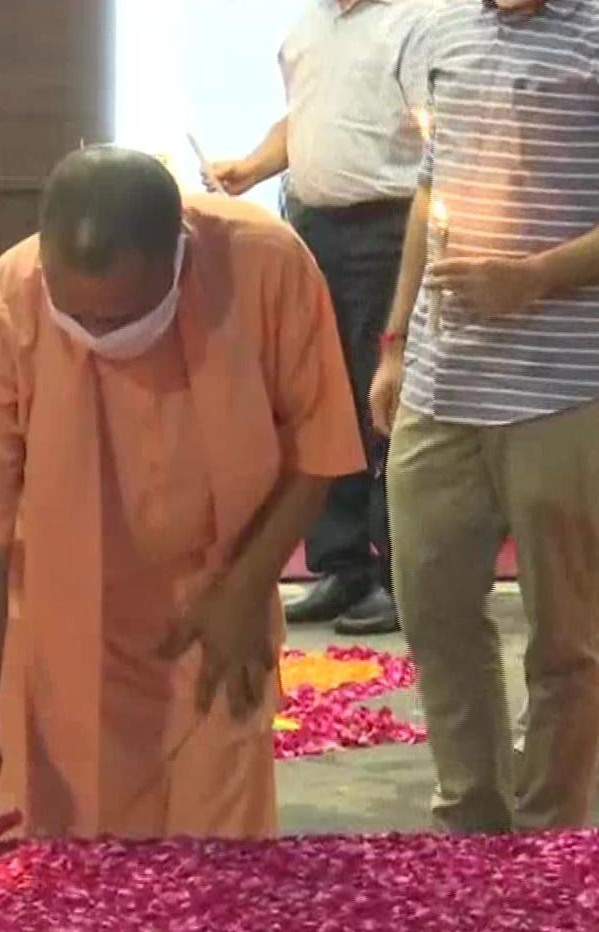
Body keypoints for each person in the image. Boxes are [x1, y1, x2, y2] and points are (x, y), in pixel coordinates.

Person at [0, 146, 366, 839]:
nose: (99, 338)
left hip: (217, 605)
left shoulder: (265, 266)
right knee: (61, 866)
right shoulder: (1, 315)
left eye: (122, 317)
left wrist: (243, 591)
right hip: (58, 622)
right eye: (79, 317)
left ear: (177, 260)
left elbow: (317, 449)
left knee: (218, 870)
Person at [370, 0, 599, 832]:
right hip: (440, 385)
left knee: (567, 641)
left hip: (565, 390)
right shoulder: (443, 30)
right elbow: (430, 190)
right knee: (431, 611)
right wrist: (395, 342)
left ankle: (548, 834)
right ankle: (470, 819)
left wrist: (534, 277)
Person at [208, 0, 437, 636]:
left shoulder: (416, 20)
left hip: (386, 229)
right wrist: (253, 166)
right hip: (312, 228)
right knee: (322, 395)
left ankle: (399, 576)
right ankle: (342, 565)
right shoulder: (306, 28)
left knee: (384, 398)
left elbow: (440, 134)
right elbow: (306, 119)